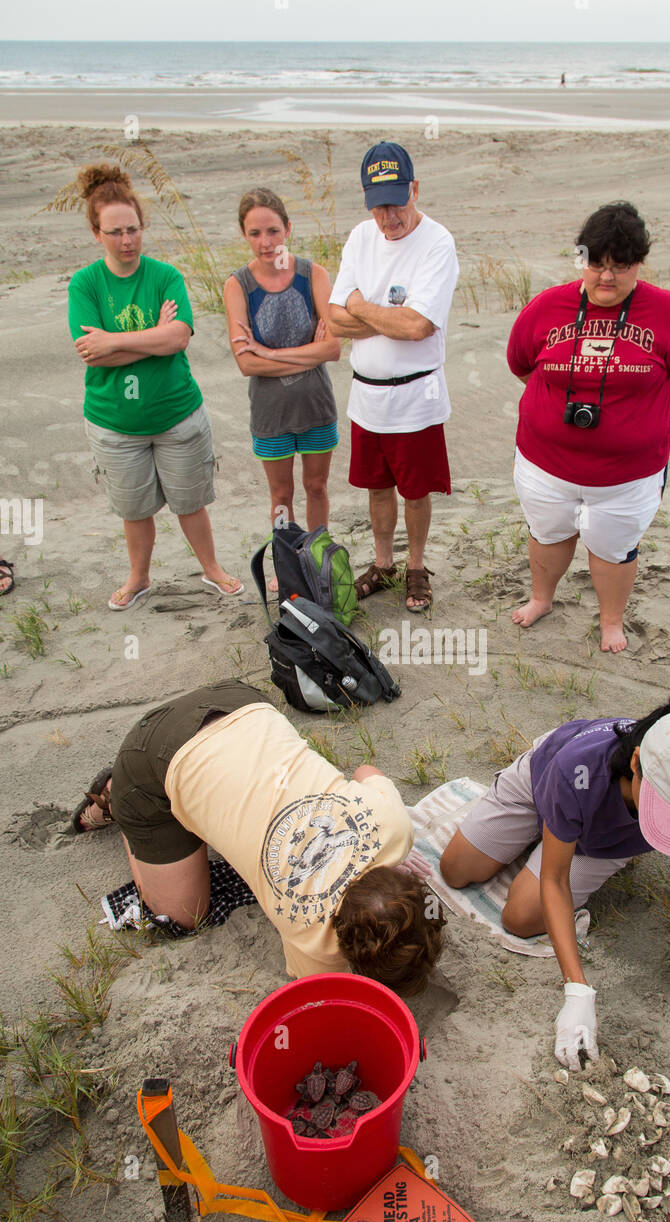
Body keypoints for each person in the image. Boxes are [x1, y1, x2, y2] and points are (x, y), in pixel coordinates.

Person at [440, 699, 670, 1068]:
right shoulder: (577, 768)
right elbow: (554, 879)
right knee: (456, 870)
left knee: (520, 917)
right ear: (635, 764)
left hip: (604, 840)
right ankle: (545, 824)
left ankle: (562, 835)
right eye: (666, 810)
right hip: (546, 781)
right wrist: (577, 989)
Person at [72, 681, 444, 993]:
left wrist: (389, 856)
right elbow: (314, 990)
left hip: (242, 703)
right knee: (182, 917)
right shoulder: (317, 946)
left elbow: (366, 771)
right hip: (152, 753)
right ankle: (121, 797)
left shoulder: (395, 827)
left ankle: (191, 812)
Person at [506, 202, 670, 652]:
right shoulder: (546, 306)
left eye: (620, 266)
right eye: (596, 264)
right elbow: (522, 365)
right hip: (546, 463)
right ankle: (542, 598)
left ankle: (611, 621)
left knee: (614, 547)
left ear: (640, 264)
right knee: (548, 532)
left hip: (627, 474)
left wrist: (630, 410)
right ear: (583, 259)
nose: (606, 277)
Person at [68, 165, 242, 611]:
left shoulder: (165, 276)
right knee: (134, 510)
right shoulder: (86, 283)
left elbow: (179, 337)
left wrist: (117, 341)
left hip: (176, 413)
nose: (127, 240)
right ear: (96, 233)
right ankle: (138, 577)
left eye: (133, 230)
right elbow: (92, 353)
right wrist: (152, 341)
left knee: (190, 503)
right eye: (115, 232)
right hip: (114, 421)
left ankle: (212, 569)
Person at [327, 141, 459, 612]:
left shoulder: (437, 242)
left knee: (415, 489)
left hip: (416, 393)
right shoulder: (361, 237)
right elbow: (333, 318)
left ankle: (417, 566)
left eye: (397, 201)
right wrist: (386, 316)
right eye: (379, 204)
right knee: (377, 487)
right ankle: (384, 564)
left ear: (415, 189)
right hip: (367, 394)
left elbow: (418, 325)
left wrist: (361, 305)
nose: (389, 216)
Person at [224, 189, 341, 593]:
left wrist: (269, 351)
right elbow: (246, 364)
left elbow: (333, 348)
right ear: (245, 235)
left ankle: (320, 558)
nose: (266, 241)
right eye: (255, 233)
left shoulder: (314, 275)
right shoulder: (237, 286)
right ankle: (285, 561)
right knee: (281, 493)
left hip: (316, 405)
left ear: (288, 228)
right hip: (270, 413)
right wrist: (308, 353)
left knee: (316, 487)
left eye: (273, 230)